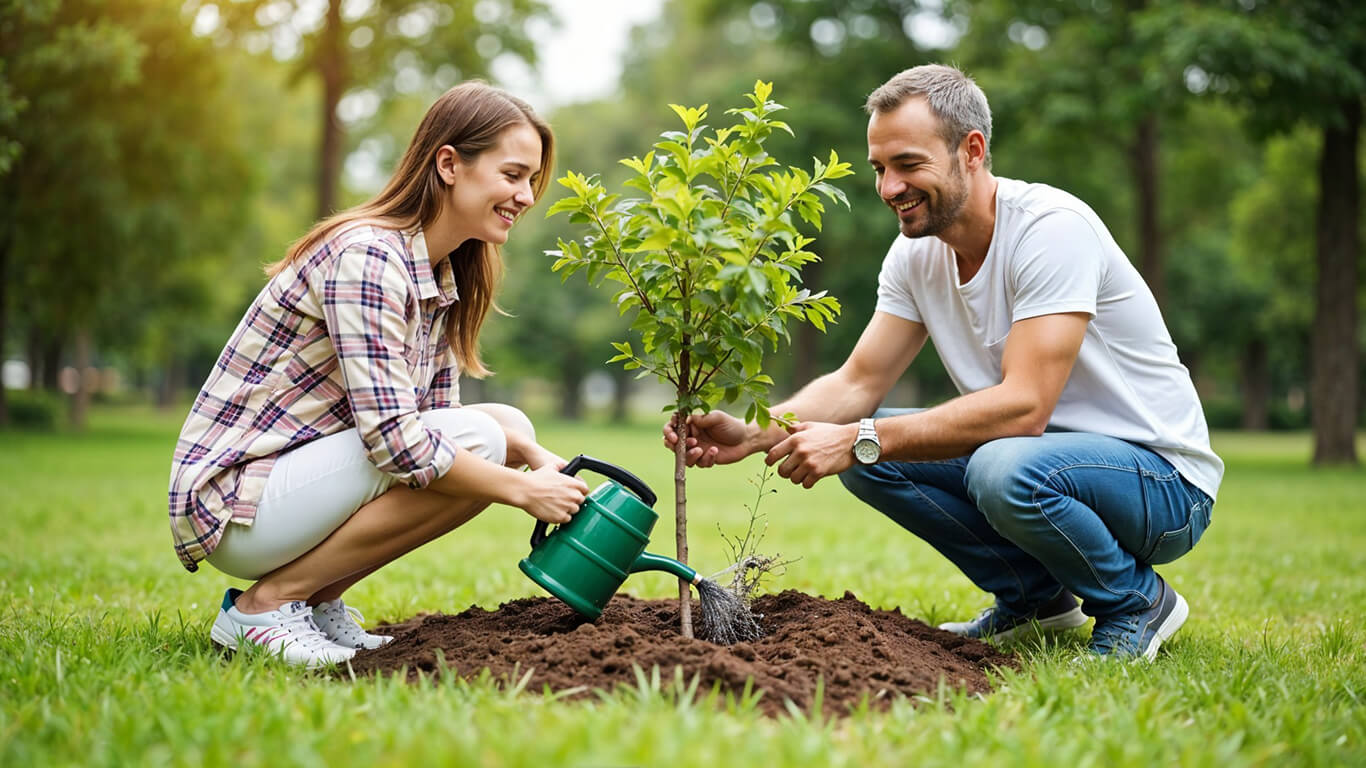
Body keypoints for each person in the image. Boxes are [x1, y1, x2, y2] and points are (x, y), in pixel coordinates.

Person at [664, 64, 1221, 661]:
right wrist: (753, 433)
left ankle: (1135, 600)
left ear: (972, 150)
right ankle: (1036, 599)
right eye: (880, 168)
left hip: (1163, 483)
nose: (888, 188)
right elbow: (859, 381)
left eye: (907, 164)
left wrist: (861, 437)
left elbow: (1026, 406)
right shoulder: (915, 256)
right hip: (1043, 465)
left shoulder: (1051, 232)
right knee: (874, 461)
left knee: (983, 464)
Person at [168, 82, 590, 668]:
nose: (525, 196)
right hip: (238, 502)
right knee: (483, 442)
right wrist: (521, 490)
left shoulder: (440, 276)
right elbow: (399, 442)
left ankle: (314, 602)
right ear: (449, 163)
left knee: (503, 426)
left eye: (531, 182)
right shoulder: (369, 257)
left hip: (293, 489)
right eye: (512, 174)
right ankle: (266, 607)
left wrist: (535, 455)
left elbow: (438, 426)